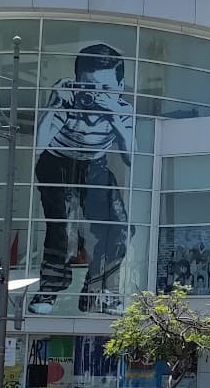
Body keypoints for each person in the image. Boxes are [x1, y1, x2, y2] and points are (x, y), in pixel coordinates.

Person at [29, 44, 134, 315]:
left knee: (120, 228)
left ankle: (97, 292)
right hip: (57, 163)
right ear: (77, 82)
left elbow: (131, 157)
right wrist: (54, 107)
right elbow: (38, 146)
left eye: (106, 90)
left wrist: (114, 119)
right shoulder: (68, 101)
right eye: (89, 89)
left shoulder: (122, 109)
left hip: (95, 166)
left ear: (121, 86)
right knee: (63, 227)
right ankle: (50, 288)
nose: (96, 97)